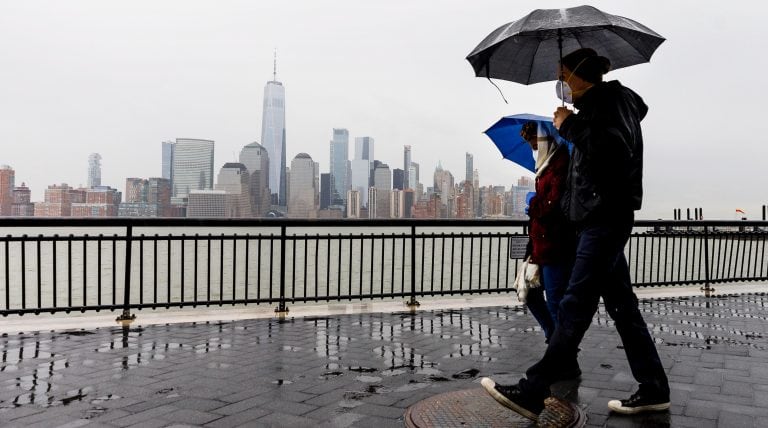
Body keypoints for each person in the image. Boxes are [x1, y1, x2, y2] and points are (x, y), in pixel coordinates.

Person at [482, 47, 671, 420]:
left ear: (578, 75)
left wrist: (569, 125)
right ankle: (654, 388)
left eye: (561, 73)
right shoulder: (601, 108)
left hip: (605, 220)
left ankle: (533, 390)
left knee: (574, 306)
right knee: (623, 309)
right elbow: (586, 170)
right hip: (597, 220)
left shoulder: (612, 102)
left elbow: (614, 151)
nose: (559, 82)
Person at [519, 121, 574, 347]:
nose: (534, 150)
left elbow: (552, 206)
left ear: (544, 139)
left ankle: (562, 351)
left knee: (555, 301)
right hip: (540, 245)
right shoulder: (544, 168)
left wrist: (533, 204)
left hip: (555, 246)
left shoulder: (561, 164)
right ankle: (554, 339)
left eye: (535, 144)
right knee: (530, 294)